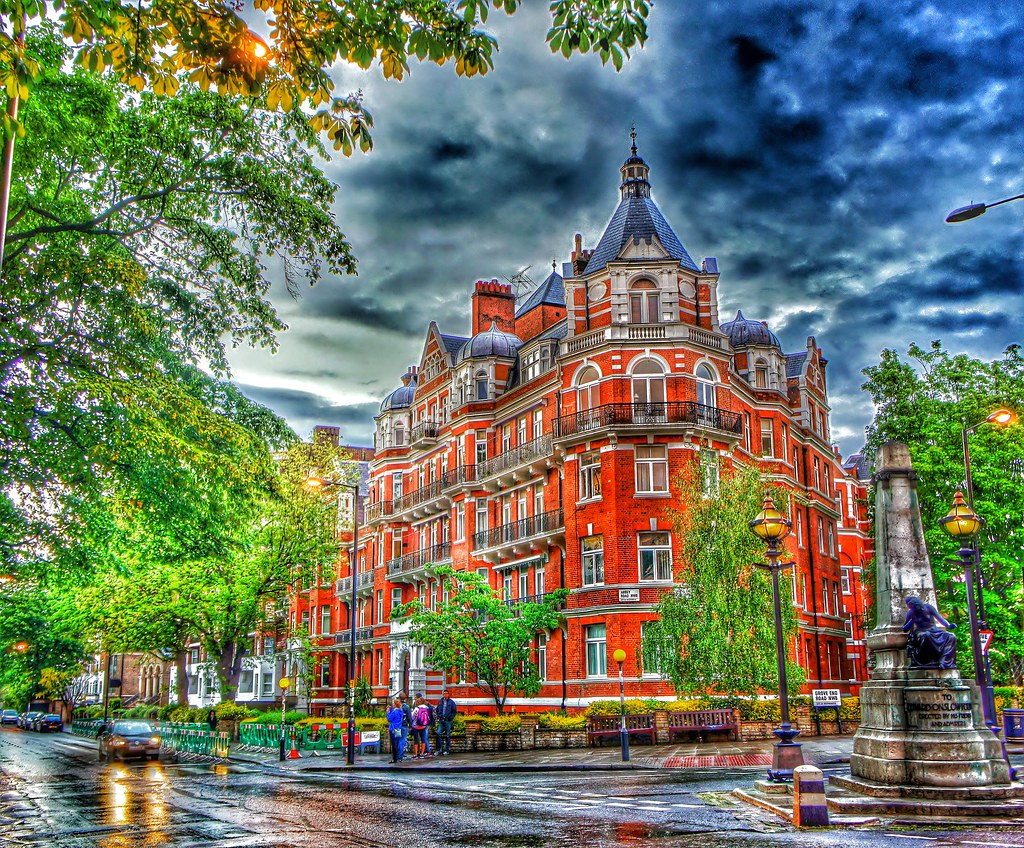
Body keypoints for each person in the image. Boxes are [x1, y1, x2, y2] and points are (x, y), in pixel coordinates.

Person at [903, 595, 957, 669]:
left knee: (951, 636)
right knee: (926, 636)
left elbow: (940, 618)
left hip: (934, 630)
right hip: (920, 631)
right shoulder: (911, 613)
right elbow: (905, 629)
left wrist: (949, 625)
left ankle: (944, 661)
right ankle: (927, 661)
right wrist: (912, 620)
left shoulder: (928, 608)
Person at [435, 690, 457, 756]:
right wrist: (439, 715)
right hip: (441, 720)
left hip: (448, 720)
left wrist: (450, 718)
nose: (445, 695)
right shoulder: (440, 701)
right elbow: (437, 709)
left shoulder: (451, 702)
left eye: (446, 693)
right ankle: (438, 749)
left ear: (448, 694)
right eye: (444, 694)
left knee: (448, 735)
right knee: (438, 734)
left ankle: (447, 750)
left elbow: (454, 711)